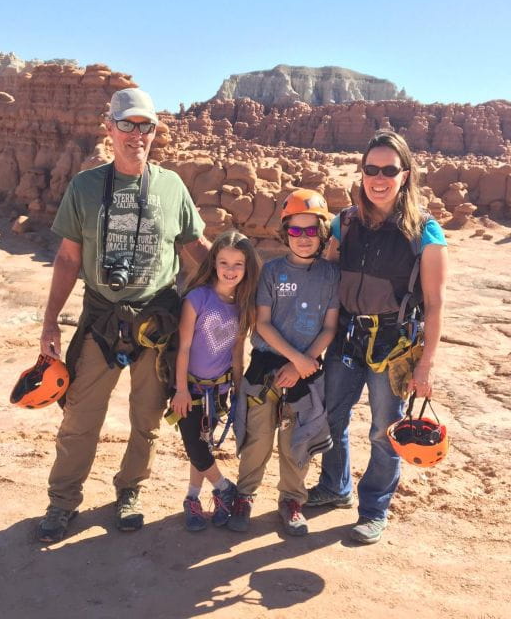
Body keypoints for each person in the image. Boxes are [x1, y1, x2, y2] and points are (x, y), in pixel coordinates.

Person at [36, 88, 210, 543]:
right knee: (79, 417)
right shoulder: (86, 186)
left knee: (146, 419)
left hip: (157, 321)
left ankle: (129, 492)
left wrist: (243, 281)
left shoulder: (172, 187)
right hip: (101, 319)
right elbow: (69, 258)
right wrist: (51, 321)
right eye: (127, 124)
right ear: (109, 127)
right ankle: (62, 502)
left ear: (156, 131)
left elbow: (194, 248)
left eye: (145, 125)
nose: (137, 134)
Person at [305, 130, 448, 545]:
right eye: (371, 169)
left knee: (385, 428)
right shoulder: (345, 221)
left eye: (389, 170)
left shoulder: (425, 232)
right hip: (346, 337)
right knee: (332, 416)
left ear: (405, 175)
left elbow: (436, 304)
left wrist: (426, 365)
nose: (379, 178)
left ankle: (374, 507)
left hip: (393, 343)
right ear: (362, 172)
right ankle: (334, 486)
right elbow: (325, 273)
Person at [228, 189, 339, 536]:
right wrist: (293, 360)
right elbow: (262, 323)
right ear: (285, 231)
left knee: (297, 442)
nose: (303, 238)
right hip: (267, 368)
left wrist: (302, 365)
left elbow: (330, 327)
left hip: (304, 373)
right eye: (296, 231)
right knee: (257, 438)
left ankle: (292, 500)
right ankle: (244, 495)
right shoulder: (272, 271)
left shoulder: (331, 275)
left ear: (321, 233)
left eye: (310, 231)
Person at [168, 230, 261, 531]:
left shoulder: (242, 305)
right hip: (190, 389)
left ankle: (193, 498)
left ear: (247, 268)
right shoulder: (197, 299)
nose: (230, 270)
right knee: (195, 446)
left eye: (238, 264)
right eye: (224, 262)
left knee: (204, 447)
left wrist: (236, 388)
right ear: (214, 263)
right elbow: (183, 348)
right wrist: (181, 389)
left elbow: (236, 352)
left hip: (219, 391)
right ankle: (224, 488)